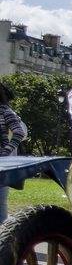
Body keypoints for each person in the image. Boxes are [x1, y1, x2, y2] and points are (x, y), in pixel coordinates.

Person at [0, 82, 27, 222]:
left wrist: (5, 152)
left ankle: (3, 240)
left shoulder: (5, 110)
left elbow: (19, 132)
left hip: (2, 166)